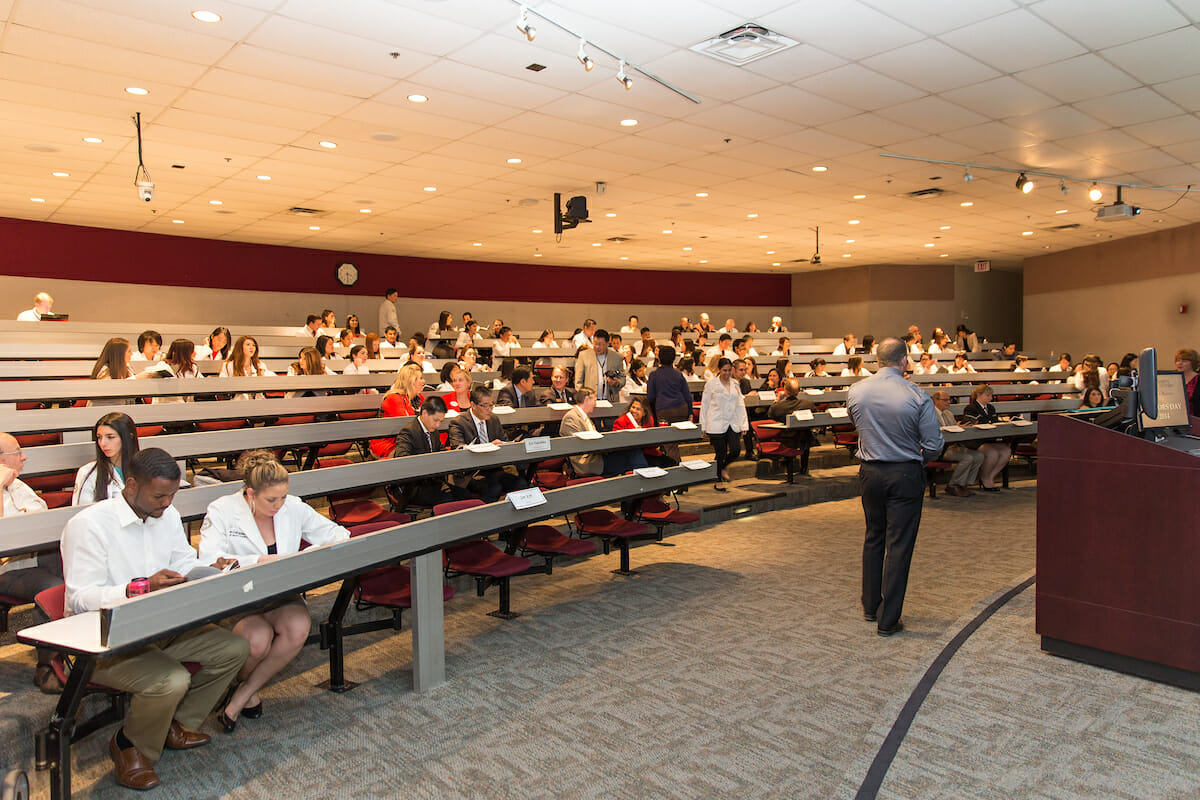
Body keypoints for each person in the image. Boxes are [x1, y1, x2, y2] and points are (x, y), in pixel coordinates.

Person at [61, 448, 248, 790]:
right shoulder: (88, 525)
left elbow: (182, 560)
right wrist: (140, 588)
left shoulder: (167, 514)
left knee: (234, 648)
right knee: (171, 679)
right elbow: (79, 598)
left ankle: (170, 724)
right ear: (131, 486)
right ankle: (129, 744)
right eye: (159, 495)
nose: (166, 503)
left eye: (172, 495)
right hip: (104, 639)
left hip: (159, 625)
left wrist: (208, 570)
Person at [198, 450, 348, 729]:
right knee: (257, 640)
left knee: (298, 627)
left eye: (283, 496)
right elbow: (208, 560)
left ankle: (242, 693)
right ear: (250, 493)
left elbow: (339, 534)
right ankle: (246, 690)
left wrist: (310, 555)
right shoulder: (223, 509)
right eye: (271, 499)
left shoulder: (292, 505)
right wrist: (256, 560)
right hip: (240, 596)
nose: (280, 505)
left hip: (279, 593)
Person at [847, 338, 943, 637]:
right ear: (904, 361)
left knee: (873, 537)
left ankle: (871, 606)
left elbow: (857, 425)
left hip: (870, 472)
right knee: (899, 545)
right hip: (904, 472)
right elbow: (933, 445)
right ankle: (888, 620)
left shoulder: (856, 390)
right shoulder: (916, 394)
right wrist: (917, 462)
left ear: (877, 360)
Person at [0, 431, 63, 693]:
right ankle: (46, 665)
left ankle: (73, 655)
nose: (24, 457)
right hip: (6, 567)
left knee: (72, 568)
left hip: (32, 557)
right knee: (54, 588)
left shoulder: (18, 485)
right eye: (18, 453)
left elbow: (41, 516)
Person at [445, 386, 529, 501]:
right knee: (493, 488)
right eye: (485, 406)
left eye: (491, 405)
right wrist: (489, 446)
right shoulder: (458, 422)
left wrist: (507, 445)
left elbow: (503, 440)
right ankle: (485, 517)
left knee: (521, 483)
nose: (490, 409)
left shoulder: (493, 419)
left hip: (493, 468)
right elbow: (459, 449)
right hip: (470, 473)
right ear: (473, 405)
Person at [390, 397, 465, 508]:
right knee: (450, 499)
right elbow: (403, 460)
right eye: (436, 420)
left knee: (463, 494)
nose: (438, 425)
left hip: (431, 481)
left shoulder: (432, 429)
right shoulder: (408, 432)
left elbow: (440, 449)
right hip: (413, 486)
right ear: (424, 413)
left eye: (441, 421)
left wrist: (453, 456)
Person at [700, 358, 747, 492]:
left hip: (732, 422)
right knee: (720, 452)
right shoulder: (711, 384)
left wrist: (744, 424)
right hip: (716, 422)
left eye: (728, 370)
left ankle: (720, 468)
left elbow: (740, 405)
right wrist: (703, 425)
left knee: (735, 450)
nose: (726, 373)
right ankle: (717, 479)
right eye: (724, 370)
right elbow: (705, 405)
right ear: (719, 370)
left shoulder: (735, 384)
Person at [73, 412, 140, 505]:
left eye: (110, 437)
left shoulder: (145, 468)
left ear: (129, 437)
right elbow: (80, 513)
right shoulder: (87, 472)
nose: (103, 443)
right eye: (99, 437)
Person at [930, 391, 983, 497]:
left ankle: (964, 484)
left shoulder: (948, 414)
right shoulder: (930, 414)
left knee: (979, 456)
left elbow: (955, 430)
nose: (948, 402)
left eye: (949, 399)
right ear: (935, 400)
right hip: (939, 448)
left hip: (952, 446)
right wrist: (954, 428)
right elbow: (933, 431)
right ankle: (953, 485)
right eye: (945, 400)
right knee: (967, 458)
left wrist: (961, 428)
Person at [369, 363, 425, 459]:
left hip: (409, 441)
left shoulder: (419, 398)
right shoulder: (394, 398)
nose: (423, 381)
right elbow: (406, 426)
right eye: (420, 378)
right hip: (388, 443)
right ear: (411, 381)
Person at [961, 385, 1008, 492]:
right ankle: (985, 478)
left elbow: (993, 421)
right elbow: (971, 424)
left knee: (1006, 451)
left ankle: (990, 476)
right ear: (979, 395)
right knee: (992, 453)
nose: (990, 398)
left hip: (989, 439)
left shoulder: (991, 408)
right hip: (975, 440)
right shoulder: (971, 408)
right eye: (988, 395)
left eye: (991, 395)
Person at [767, 378, 817, 475]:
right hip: (804, 439)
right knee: (805, 433)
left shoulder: (777, 407)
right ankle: (804, 467)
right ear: (799, 391)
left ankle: (786, 461)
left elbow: (770, 415)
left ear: (785, 391)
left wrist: (777, 399)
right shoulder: (808, 404)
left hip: (785, 437)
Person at [612, 397, 673, 468]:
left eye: (638, 409)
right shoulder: (621, 421)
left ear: (644, 413)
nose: (634, 411)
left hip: (648, 452)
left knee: (672, 464)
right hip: (631, 454)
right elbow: (617, 444)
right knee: (654, 467)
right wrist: (636, 435)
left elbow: (653, 445)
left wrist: (657, 436)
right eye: (633, 407)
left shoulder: (649, 420)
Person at [557, 388, 605, 477]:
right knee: (624, 460)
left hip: (594, 456)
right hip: (584, 462)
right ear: (587, 399)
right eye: (594, 400)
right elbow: (579, 445)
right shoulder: (571, 417)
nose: (595, 404)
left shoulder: (584, 416)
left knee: (625, 456)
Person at [146, 339, 202, 403]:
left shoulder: (192, 367)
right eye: (192, 351)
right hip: (166, 406)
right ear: (184, 353)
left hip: (187, 406)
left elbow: (202, 383)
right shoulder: (163, 366)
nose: (195, 353)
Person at [574, 329, 623, 401]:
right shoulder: (583, 355)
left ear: (607, 343)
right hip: (590, 400)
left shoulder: (617, 357)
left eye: (600, 344)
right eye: (595, 343)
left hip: (610, 399)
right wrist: (583, 398)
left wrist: (616, 383)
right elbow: (579, 381)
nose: (597, 347)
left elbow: (622, 378)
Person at [1176, 348, 1200, 428]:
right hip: (1176, 420)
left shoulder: (1198, 379)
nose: (1180, 363)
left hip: (1195, 422)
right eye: (1178, 360)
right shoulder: (1173, 378)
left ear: (1192, 363)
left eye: (1184, 361)